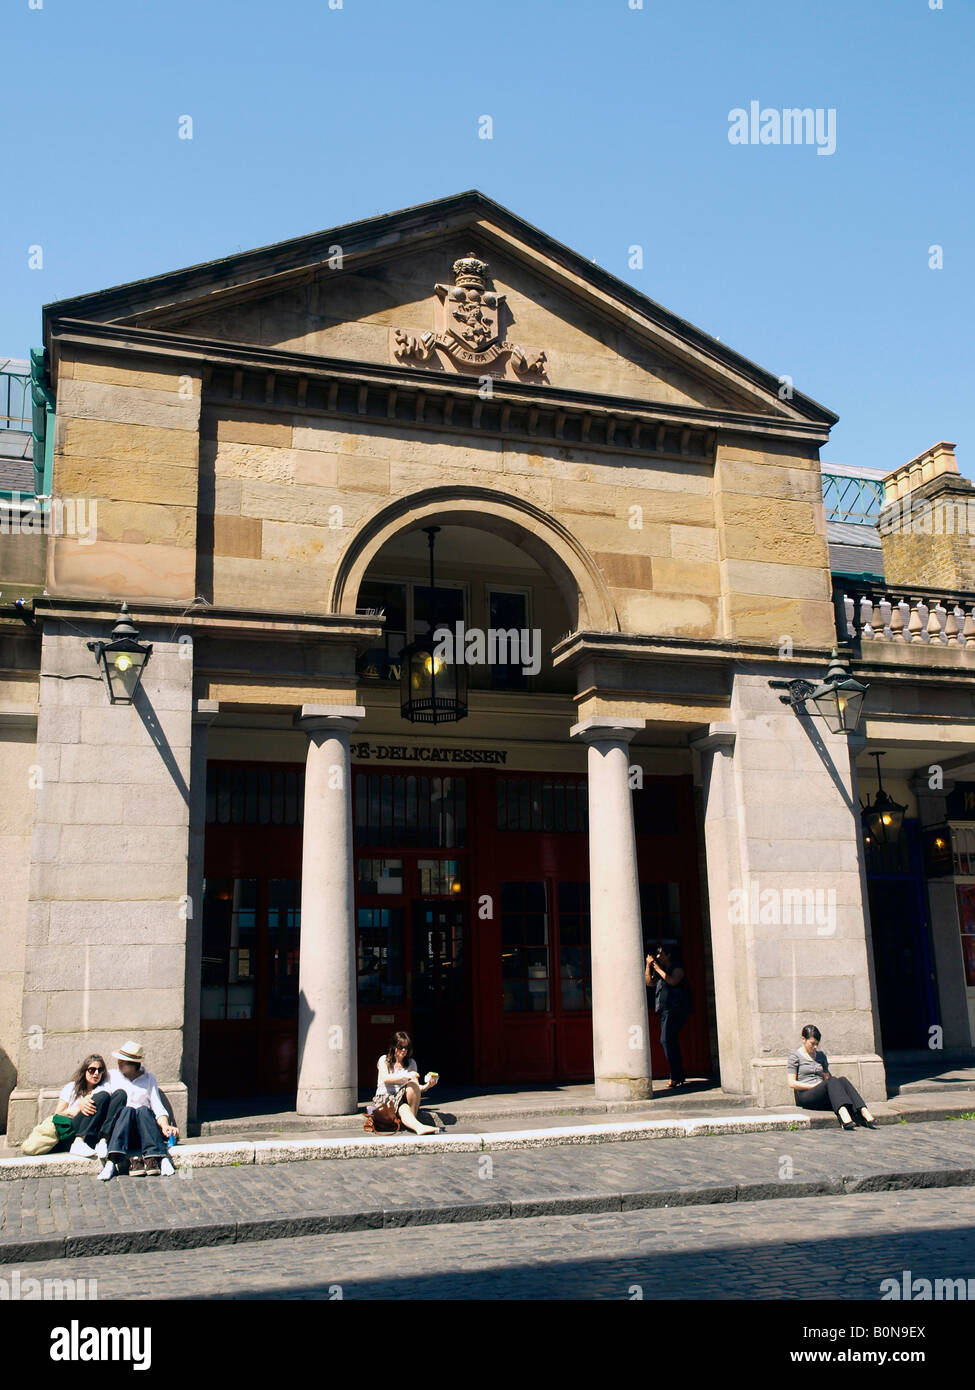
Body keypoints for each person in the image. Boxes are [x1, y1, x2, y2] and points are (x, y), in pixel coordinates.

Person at [97, 1040, 180, 1180]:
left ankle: (162, 1158)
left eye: (124, 1061)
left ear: (134, 1064)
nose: (119, 1063)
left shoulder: (149, 1078)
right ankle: (111, 1162)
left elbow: (157, 1105)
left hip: (143, 1131)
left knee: (142, 1110)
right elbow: (100, 1094)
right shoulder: (112, 1076)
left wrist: (165, 1125)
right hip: (121, 1130)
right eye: (119, 1060)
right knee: (127, 1110)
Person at [787, 1024, 877, 1130]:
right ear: (803, 1039)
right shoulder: (795, 1057)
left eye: (817, 1044)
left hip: (822, 1091)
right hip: (807, 1094)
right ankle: (844, 1115)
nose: (815, 1047)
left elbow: (828, 1077)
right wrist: (813, 1086)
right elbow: (792, 1083)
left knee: (842, 1079)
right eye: (812, 1043)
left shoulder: (821, 1056)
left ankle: (864, 1110)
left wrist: (826, 1076)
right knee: (832, 1081)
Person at [54, 1055, 122, 1159]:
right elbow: (58, 1114)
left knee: (119, 1094)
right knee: (103, 1096)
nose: (96, 1073)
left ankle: (103, 1141)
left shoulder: (103, 1088)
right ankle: (78, 1141)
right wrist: (79, 1108)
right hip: (73, 1132)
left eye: (100, 1070)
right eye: (92, 1070)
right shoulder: (71, 1088)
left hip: (93, 1135)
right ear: (84, 1070)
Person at [374, 1031, 439, 1136]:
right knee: (403, 1107)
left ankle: (413, 1123)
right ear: (394, 1046)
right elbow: (385, 1078)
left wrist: (428, 1086)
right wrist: (406, 1076)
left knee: (412, 1085)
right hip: (385, 1097)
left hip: (402, 1096)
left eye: (406, 1047)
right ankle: (418, 1126)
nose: (404, 1050)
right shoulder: (384, 1060)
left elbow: (416, 1088)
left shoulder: (411, 1063)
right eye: (400, 1047)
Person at [645, 945, 691, 1090]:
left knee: (666, 1040)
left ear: (669, 955)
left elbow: (672, 981)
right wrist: (648, 966)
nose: (658, 957)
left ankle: (676, 1075)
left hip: (675, 1010)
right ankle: (677, 1076)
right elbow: (649, 982)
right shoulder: (660, 970)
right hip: (664, 1011)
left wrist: (658, 968)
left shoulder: (677, 969)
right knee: (670, 1042)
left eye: (661, 954)